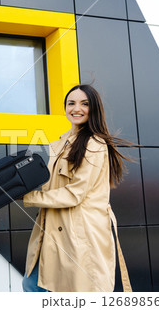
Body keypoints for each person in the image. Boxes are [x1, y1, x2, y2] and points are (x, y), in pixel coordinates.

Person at [22, 84, 133, 292]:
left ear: (94, 109)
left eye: (84, 104)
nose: (76, 108)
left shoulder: (94, 144)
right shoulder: (61, 142)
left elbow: (74, 194)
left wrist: (27, 197)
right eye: (71, 103)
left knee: (77, 291)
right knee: (32, 284)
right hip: (53, 228)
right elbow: (51, 184)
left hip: (80, 233)